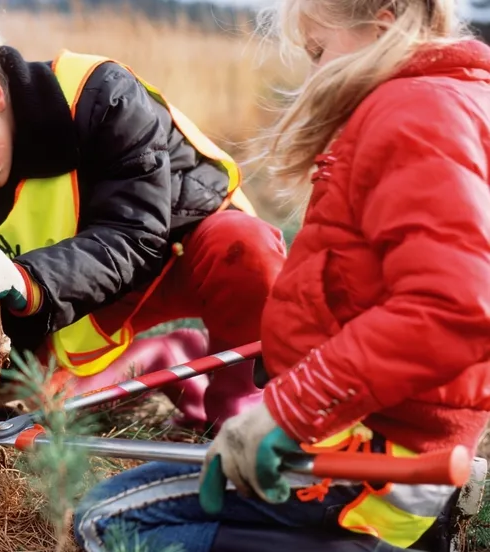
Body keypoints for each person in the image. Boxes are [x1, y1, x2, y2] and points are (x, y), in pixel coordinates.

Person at [71, 0, 490, 549]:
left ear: (383, 24)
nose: (312, 72)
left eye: (318, 50)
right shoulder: (451, 99)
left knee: (107, 522)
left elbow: (453, 304)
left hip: (366, 453)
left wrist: (290, 411)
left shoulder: (415, 115)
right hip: (382, 436)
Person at [0, 0, 287, 430]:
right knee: (32, 408)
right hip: (90, 294)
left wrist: (26, 278)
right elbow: (6, 294)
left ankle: (238, 405)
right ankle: (160, 359)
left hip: (181, 251)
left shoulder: (101, 96)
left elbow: (134, 234)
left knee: (242, 245)